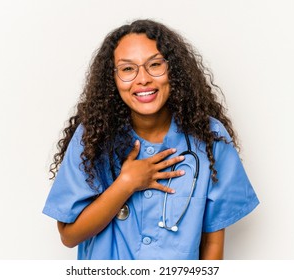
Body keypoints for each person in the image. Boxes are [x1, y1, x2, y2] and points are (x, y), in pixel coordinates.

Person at [42, 19, 259, 260]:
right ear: (112, 79)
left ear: (173, 70)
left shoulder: (209, 137)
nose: (142, 79)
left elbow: (212, 244)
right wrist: (126, 184)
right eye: (127, 69)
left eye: (155, 65)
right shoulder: (92, 137)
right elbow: (69, 236)